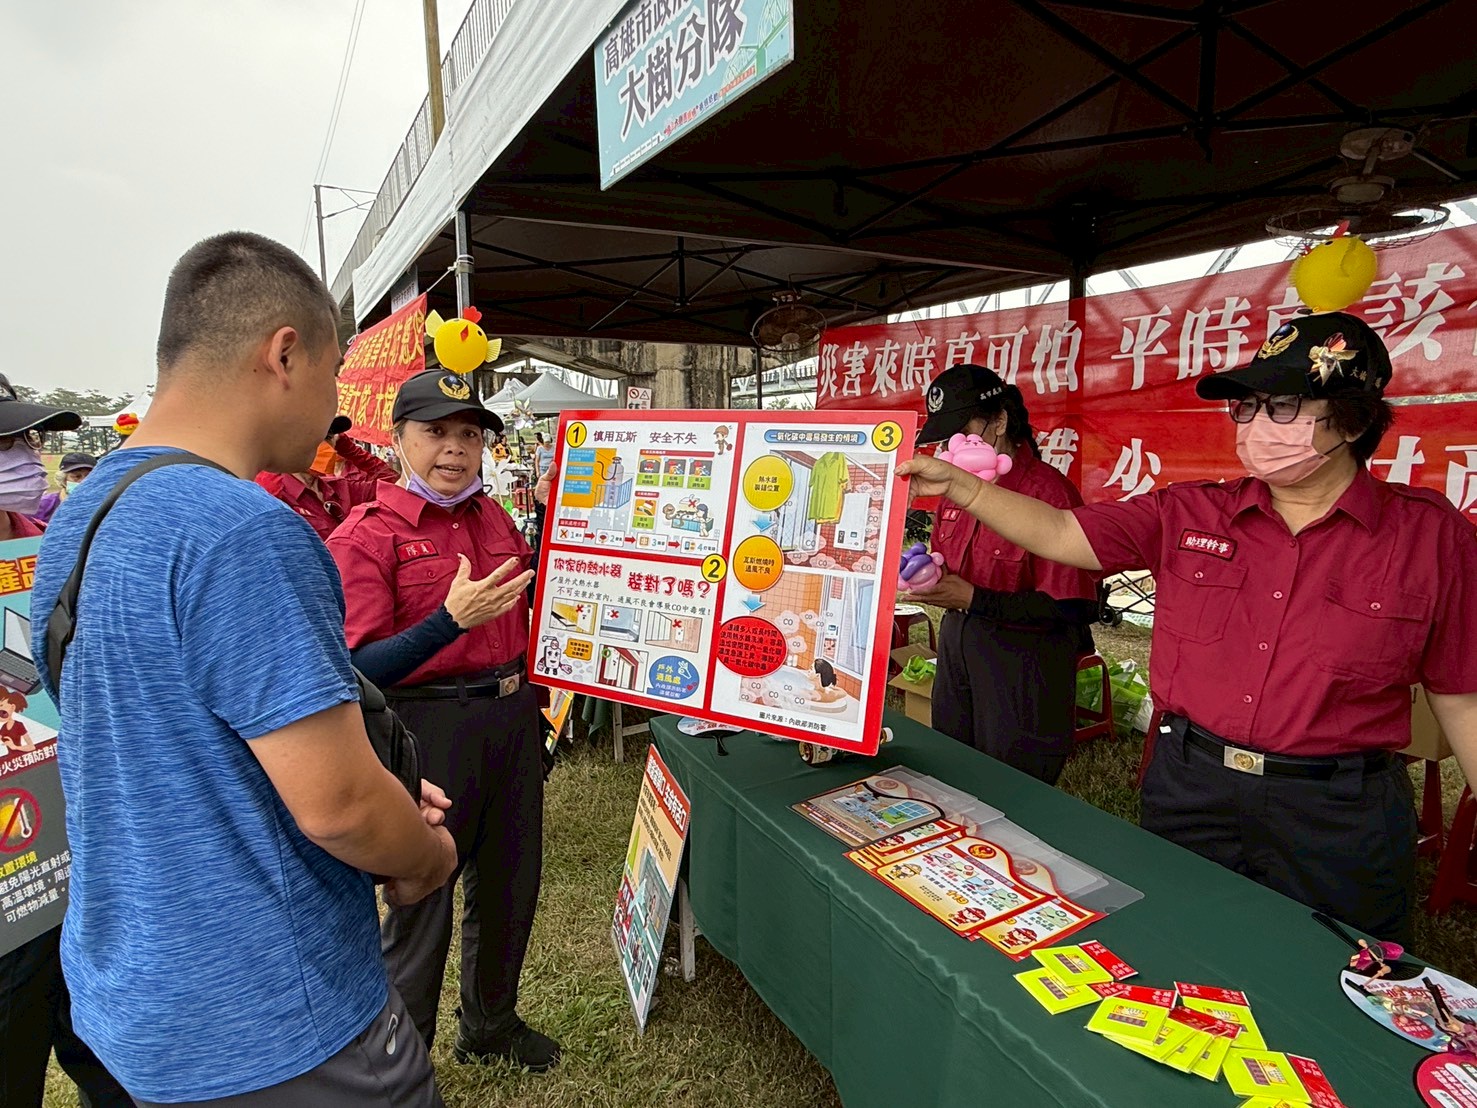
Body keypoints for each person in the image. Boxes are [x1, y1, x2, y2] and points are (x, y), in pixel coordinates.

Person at [31, 231, 457, 1107]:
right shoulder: (243, 531)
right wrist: (421, 857)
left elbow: (176, 742)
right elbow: (337, 806)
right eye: (336, 374)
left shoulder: (82, 514)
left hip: (136, 1003)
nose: (338, 408)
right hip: (272, 1020)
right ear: (285, 354)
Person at [898, 312, 1477, 946]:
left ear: (1358, 420)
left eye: (1283, 406)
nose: (1258, 426)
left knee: (1339, 971)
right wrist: (961, 485)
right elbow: (1065, 535)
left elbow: (1460, 693)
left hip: (1339, 808)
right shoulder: (1192, 511)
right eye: (1248, 407)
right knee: (1179, 954)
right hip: (1193, 784)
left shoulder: (1430, 538)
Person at [327, 370, 556, 1071]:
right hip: (427, 730)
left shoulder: (492, 517)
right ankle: (406, 1056)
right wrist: (446, 623)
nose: (454, 449)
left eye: (469, 434)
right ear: (397, 440)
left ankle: (491, 1023)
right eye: (435, 432)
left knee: (512, 880)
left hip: (511, 717)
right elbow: (359, 672)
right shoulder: (367, 536)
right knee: (423, 898)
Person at [0, 385, 131, 1108]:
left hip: (70, 854)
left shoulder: (40, 543)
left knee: (104, 1054)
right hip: (8, 882)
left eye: (25, 443)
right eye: (4, 447)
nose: (22, 460)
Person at [905, 365, 1099, 784]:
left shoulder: (1048, 494)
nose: (951, 445)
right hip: (959, 643)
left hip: (1023, 660)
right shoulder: (953, 492)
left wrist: (976, 599)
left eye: (963, 430)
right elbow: (947, 563)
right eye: (944, 437)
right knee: (951, 769)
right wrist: (922, 573)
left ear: (1000, 420)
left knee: (1013, 784)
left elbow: (1074, 607)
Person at [256, 416, 397, 541]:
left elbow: (392, 482)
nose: (324, 446)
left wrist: (348, 448)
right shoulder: (278, 495)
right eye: (314, 437)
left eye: (328, 437)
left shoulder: (341, 488)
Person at [37, 452, 98, 525]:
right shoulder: (44, 504)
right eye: (77, 476)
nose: (84, 481)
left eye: (89, 476)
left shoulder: (104, 504)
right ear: (64, 480)